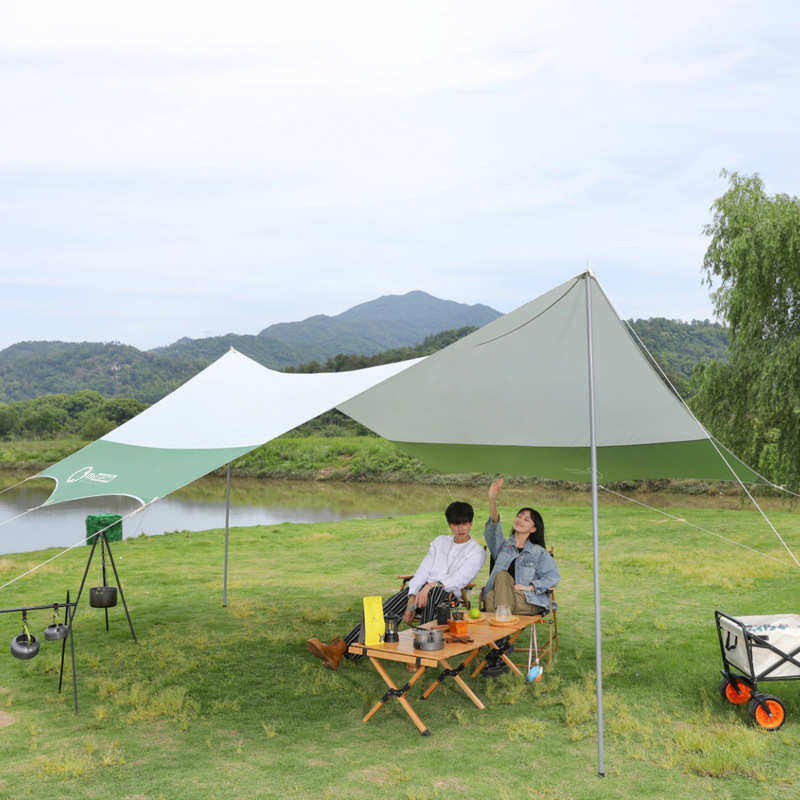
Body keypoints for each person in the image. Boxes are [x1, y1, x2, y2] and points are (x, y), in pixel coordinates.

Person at [306, 500, 486, 670]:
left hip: (447, 599)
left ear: (470, 523)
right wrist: (411, 598)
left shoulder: (476, 551)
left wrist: (430, 587)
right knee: (389, 609)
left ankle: (420, 653)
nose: (460, 528)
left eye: (464, 523)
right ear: (449, 525)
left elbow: (460, 580)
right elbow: (422, 570)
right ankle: (339, 649)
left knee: (435, 593)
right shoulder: (440, 542)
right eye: (456, 524)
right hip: (422, 592)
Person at [483, 477, 559, 617]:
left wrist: (529, 587)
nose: (520, 520)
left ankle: (499, 634)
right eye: (519, 516)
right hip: (505, 600)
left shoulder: (538, 552)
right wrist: (492, 499)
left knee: (490, 599)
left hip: (527, 600)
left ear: (534, 529)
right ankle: (503, 631)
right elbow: (494, 527)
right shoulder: (503, 547)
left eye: (526, 519)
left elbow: (553, 577)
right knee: (499, 579)